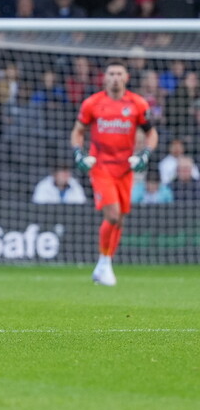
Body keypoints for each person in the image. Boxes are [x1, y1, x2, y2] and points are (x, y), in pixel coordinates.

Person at [71, 59, 158, 286]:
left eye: (120, 73)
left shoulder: (137, 104)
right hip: (100, 167)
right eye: (111, 73)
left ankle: (104, 265)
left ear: (126, 77)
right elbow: (78, 131)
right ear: (105, 77)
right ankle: (104, 263)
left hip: (125, 168)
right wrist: (78, 154)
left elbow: (151, 133)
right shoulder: (93, 103)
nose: (115, 77)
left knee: (118, 219)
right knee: (111, 214)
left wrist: (145, 154)